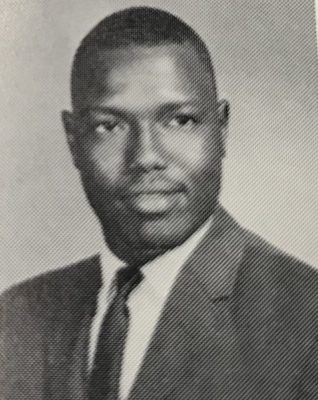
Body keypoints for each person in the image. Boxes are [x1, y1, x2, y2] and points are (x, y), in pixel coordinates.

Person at [0, 6, 317, 400]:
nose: (146, 156)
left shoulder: (306, 319)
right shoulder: (14, 317)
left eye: (179, 121)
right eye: (109, 126)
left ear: (221, 130)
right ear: (73, 141)